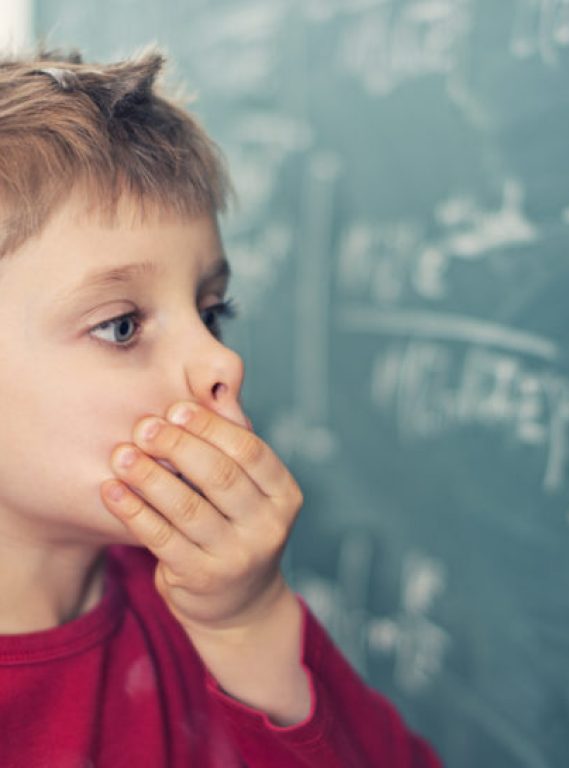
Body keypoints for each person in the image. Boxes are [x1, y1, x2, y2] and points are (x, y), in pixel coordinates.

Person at [0, 47, 442, 767]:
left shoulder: (210, 602)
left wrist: (250, 626)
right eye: (122, 325)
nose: (221, 361)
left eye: (212, 310)